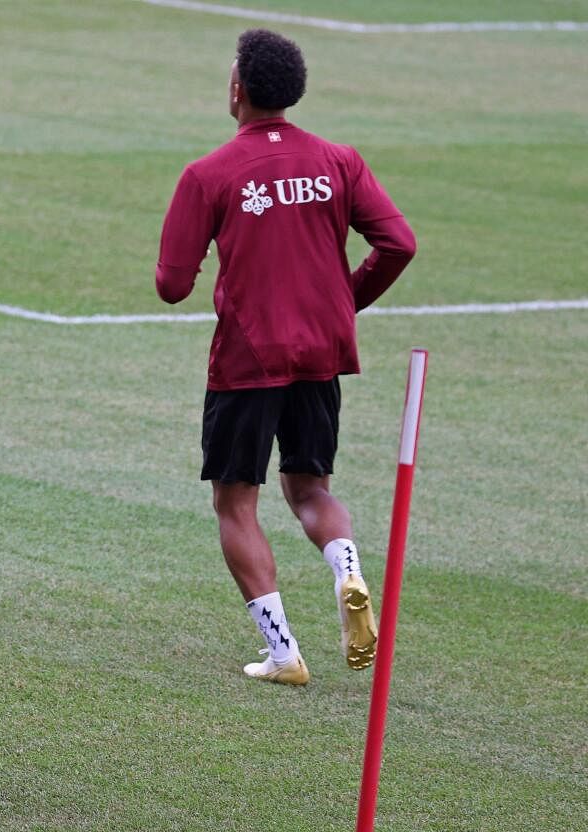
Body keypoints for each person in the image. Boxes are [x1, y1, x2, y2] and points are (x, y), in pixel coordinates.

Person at [155, 29, 416, 686]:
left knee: (236, 503)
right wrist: (342, 302)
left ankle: (283, 651)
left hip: (248, 359)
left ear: (238, 89)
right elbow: (398, 243)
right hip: (321, 354)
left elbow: (170, 285)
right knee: (312, 489)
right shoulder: (339, 160)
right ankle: (347, 570)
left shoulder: (209, 174)